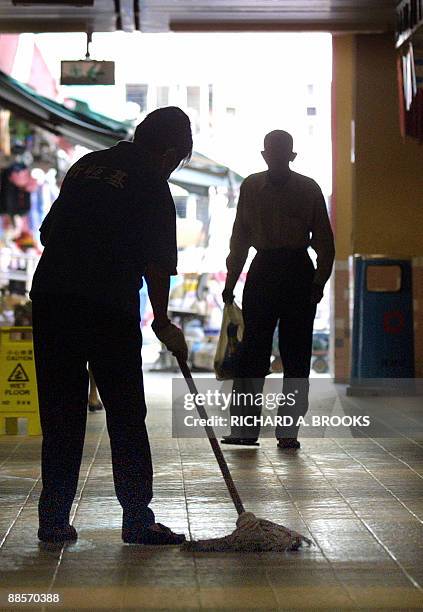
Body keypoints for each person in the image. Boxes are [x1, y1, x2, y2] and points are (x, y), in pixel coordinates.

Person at [30, 107, 191, 544]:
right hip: (106, 304)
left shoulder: (86, 165)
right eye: (179, 161)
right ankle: (137, 521)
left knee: (61, 413)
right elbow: (158, 264)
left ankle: (53, 520)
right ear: (171, 152)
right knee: (125, 413)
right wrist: (161, 318)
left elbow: (48, 233)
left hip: (52, 297)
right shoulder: (153, 185)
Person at [221, 130, 335, 450]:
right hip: (265, 270)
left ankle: (288, 431)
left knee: (295, 354)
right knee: (251, 353)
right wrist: (231, 282)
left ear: (292, 155)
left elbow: (325, 243)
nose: (275, 156)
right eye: (271, 151)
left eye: (280, 151)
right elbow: (239, 238)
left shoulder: (309, 188)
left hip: (297, 272)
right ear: (263, 155)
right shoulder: (251, 186)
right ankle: (246, 429)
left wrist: (318, 282)